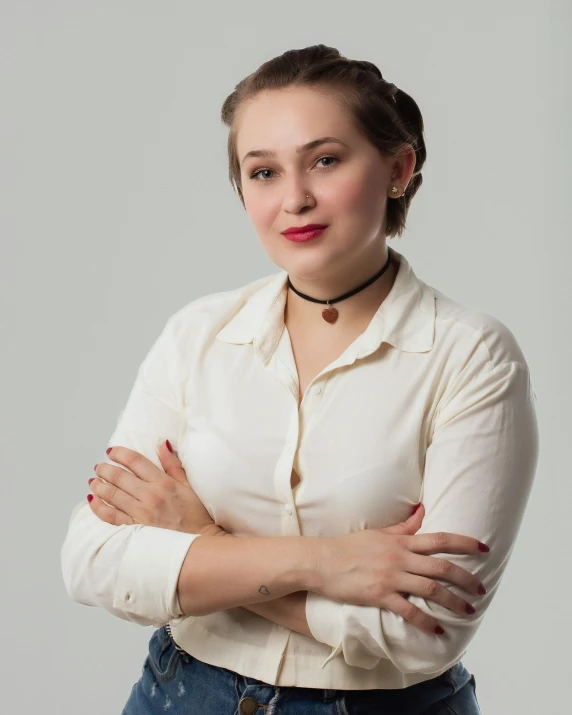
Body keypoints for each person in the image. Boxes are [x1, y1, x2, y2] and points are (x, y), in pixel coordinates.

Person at [60, 44, 539, 714]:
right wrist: (330, 562)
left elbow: (424, 632)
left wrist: (203, 547)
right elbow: (95, 560)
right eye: (262, 172)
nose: (295, 198)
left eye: (325, 159)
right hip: (179, 693)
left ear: (398, 168)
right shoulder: (197, 334)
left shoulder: (472, 356)